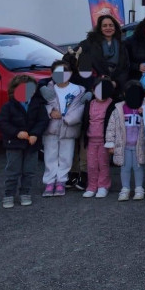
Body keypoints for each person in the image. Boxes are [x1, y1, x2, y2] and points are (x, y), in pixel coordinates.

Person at [0, 75, 49, 208]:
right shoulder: (9, 106)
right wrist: (16, 133)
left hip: (32, 144)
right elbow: (2, 123)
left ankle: (25, 193)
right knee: (13, 171)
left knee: (29, 171)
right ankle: (9, 194)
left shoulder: (38, 104)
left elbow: (43, 121)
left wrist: (35, 134)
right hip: (14, 144)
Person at [40, 60, 87, 197]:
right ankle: (49, 182)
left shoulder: (78, 89)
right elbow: (41, 104)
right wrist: (50, 111)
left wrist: (67, 118)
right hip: (51, 127)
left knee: (66, 156)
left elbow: (80, 108)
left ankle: (61, 181)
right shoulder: (48, 88)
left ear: (70, 73)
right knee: (50, 155)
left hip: (68, 127)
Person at [105, 81, 145, 201]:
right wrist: (110, 143)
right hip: (123, 145)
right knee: (125, 167)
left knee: (138, 167)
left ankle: (139, 188)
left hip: (139, 145)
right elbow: (111, 127)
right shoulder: (119, 109)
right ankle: (125, 189)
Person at [80, 77, 116, 198]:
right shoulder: (90, 103)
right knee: (91, 164)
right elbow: (85, 120)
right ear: (93, 90)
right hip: (91, 140)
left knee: (103, 164)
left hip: (104, 140)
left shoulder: (112, 104)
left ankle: (103, 186)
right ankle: (91, 186)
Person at [76, 14, 130, 94]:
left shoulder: (121, 45)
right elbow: (76, 58)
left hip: (115, 90)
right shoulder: (90, 43)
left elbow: (125, 68)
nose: (108, 28)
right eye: (104, 26)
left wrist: (116, 83)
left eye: (111, 25)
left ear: (115, 27)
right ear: (100, 28)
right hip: (96, 89)